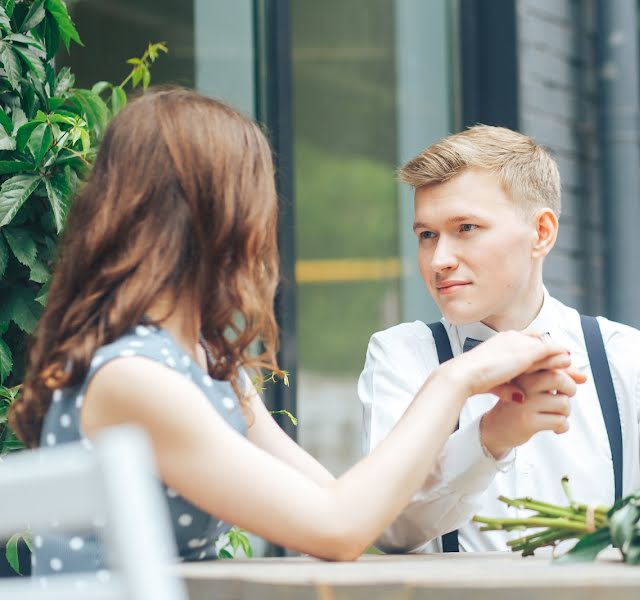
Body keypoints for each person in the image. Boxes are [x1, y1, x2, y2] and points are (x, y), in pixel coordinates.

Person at [9, 89, 582, 576]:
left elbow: (347, 507)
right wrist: (457, 379)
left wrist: (487, 425)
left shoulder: (208, 364)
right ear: (217, 214)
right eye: (256, 191)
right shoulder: (135, 379)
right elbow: (337, 531)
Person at [359, 125, 640, 553]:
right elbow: (386, 529)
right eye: (427, 235)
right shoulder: (401, 356)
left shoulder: (631, 362)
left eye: (466, 228)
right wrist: (488, 439)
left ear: (542, 233)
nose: (439, 259)